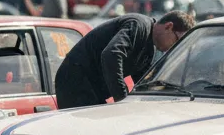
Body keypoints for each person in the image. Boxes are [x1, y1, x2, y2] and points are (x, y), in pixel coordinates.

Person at [55, 11, 195, 108]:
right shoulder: (139, 25)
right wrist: (122, 100)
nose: (172, 49)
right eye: (176, 42)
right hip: (75, 81)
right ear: (168, 26)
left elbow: (142, 84)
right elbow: (111, 54)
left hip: (91, 89)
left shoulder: (149, 49)